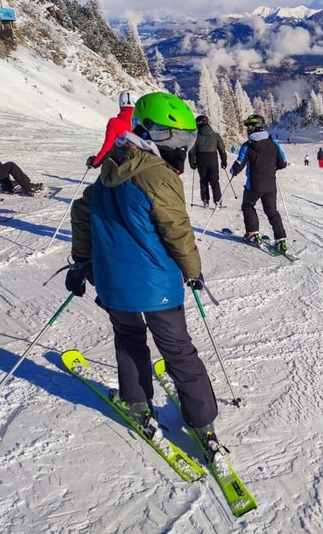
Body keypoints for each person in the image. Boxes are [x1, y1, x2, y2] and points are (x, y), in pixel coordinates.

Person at [65, 91, 222, 461]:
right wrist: (193, 271)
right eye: (173, 138)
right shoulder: (159, 176)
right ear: (147, 132)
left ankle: (137, 403)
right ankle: (202, 423)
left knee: (129, 339)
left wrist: (82, 262)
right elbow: (177, 229)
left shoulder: (109, 170)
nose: (180, 148)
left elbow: (80, 212)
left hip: (113, 283)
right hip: (157, 286)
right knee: (178, 350)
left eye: (186, 139)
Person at [229, 114, 289, 252]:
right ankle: (281, 240)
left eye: (248, 127)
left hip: (254, 185)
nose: (247, 130)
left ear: (252, 128)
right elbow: (283, 163)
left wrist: (233, 171)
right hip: (270, 184)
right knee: (272, 211)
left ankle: (252, 233)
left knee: (248, 205)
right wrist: (272, 167)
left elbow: (239, 164)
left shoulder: (248, 146)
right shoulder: (274, 143)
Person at [87, 90, 137, 169]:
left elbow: (108, 147)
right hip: (140, 165)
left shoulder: (114, 123)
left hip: (120, 166)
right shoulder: (142, 122)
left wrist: (95, 162)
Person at [188, 115, 227, 208]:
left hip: (201, 160)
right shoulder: (215, 135)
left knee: (203, 181)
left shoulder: (196, 137)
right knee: (215, 182)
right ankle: (218, 201)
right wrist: (224, 161)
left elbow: (191, 151)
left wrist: (192, 163)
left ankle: (205, 200)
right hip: (213, 159)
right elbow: (222, 149)